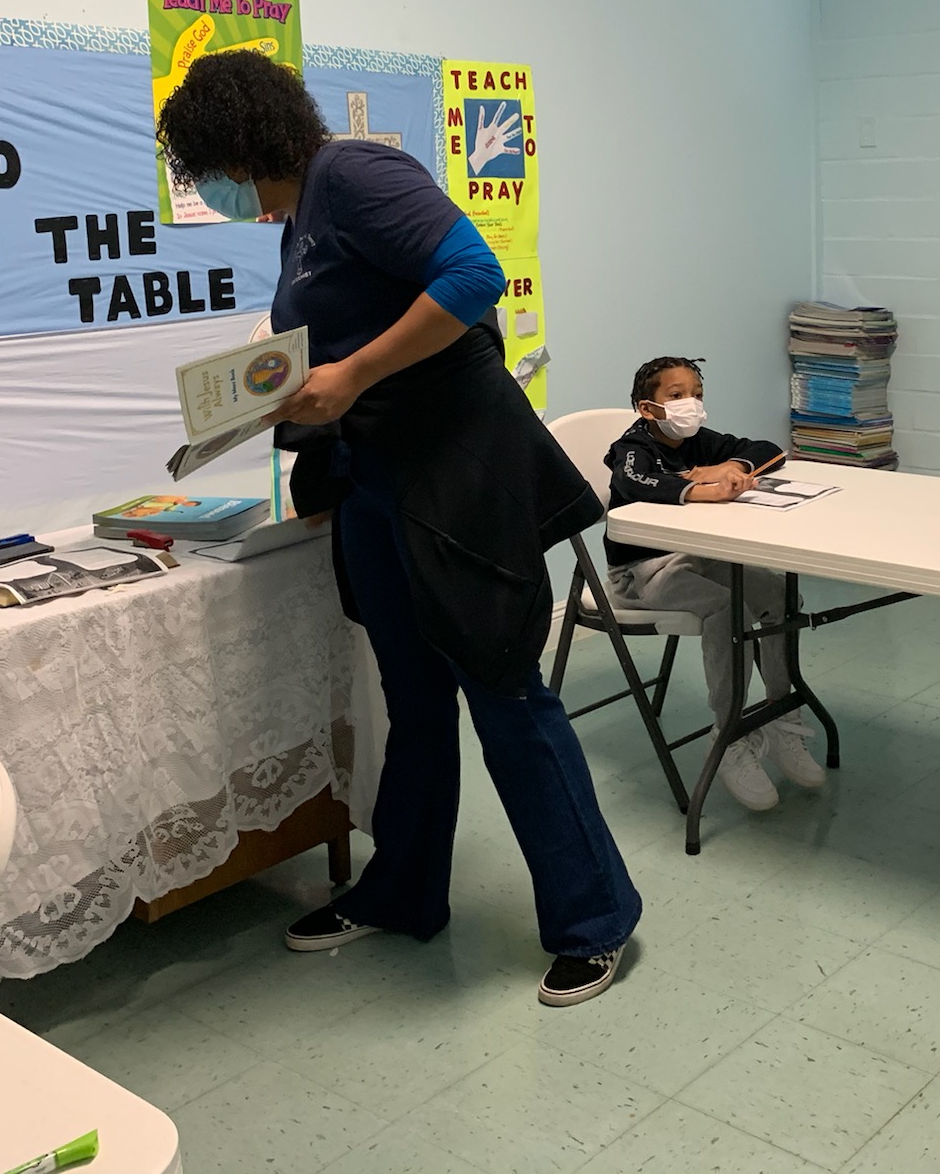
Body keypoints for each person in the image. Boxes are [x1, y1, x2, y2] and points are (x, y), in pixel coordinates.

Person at [156, 50, 639, 1007]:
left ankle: (597, 919)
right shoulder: (298, 219)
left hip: (455, 479)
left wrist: (354, 375)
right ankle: (405, 893)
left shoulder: (356, 175)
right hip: (379, 481)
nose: (210, 187)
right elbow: (334, 348)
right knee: (411, 704)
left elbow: (473, 275)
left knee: (504, 693)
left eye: (211, 164)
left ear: (245, 141)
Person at [601, 356, 826, 811]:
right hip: (642, 575)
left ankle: (782, 715)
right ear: (649, 409)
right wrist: (707, 488)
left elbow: (769, 450)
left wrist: (731, 465)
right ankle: (728, 735)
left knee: (781, 594)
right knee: (730, 611)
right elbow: (638, 482)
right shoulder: (632, 448)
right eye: (677, 395)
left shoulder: (701, 441)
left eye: (697, 395)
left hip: (699, 558)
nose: (692, 405)